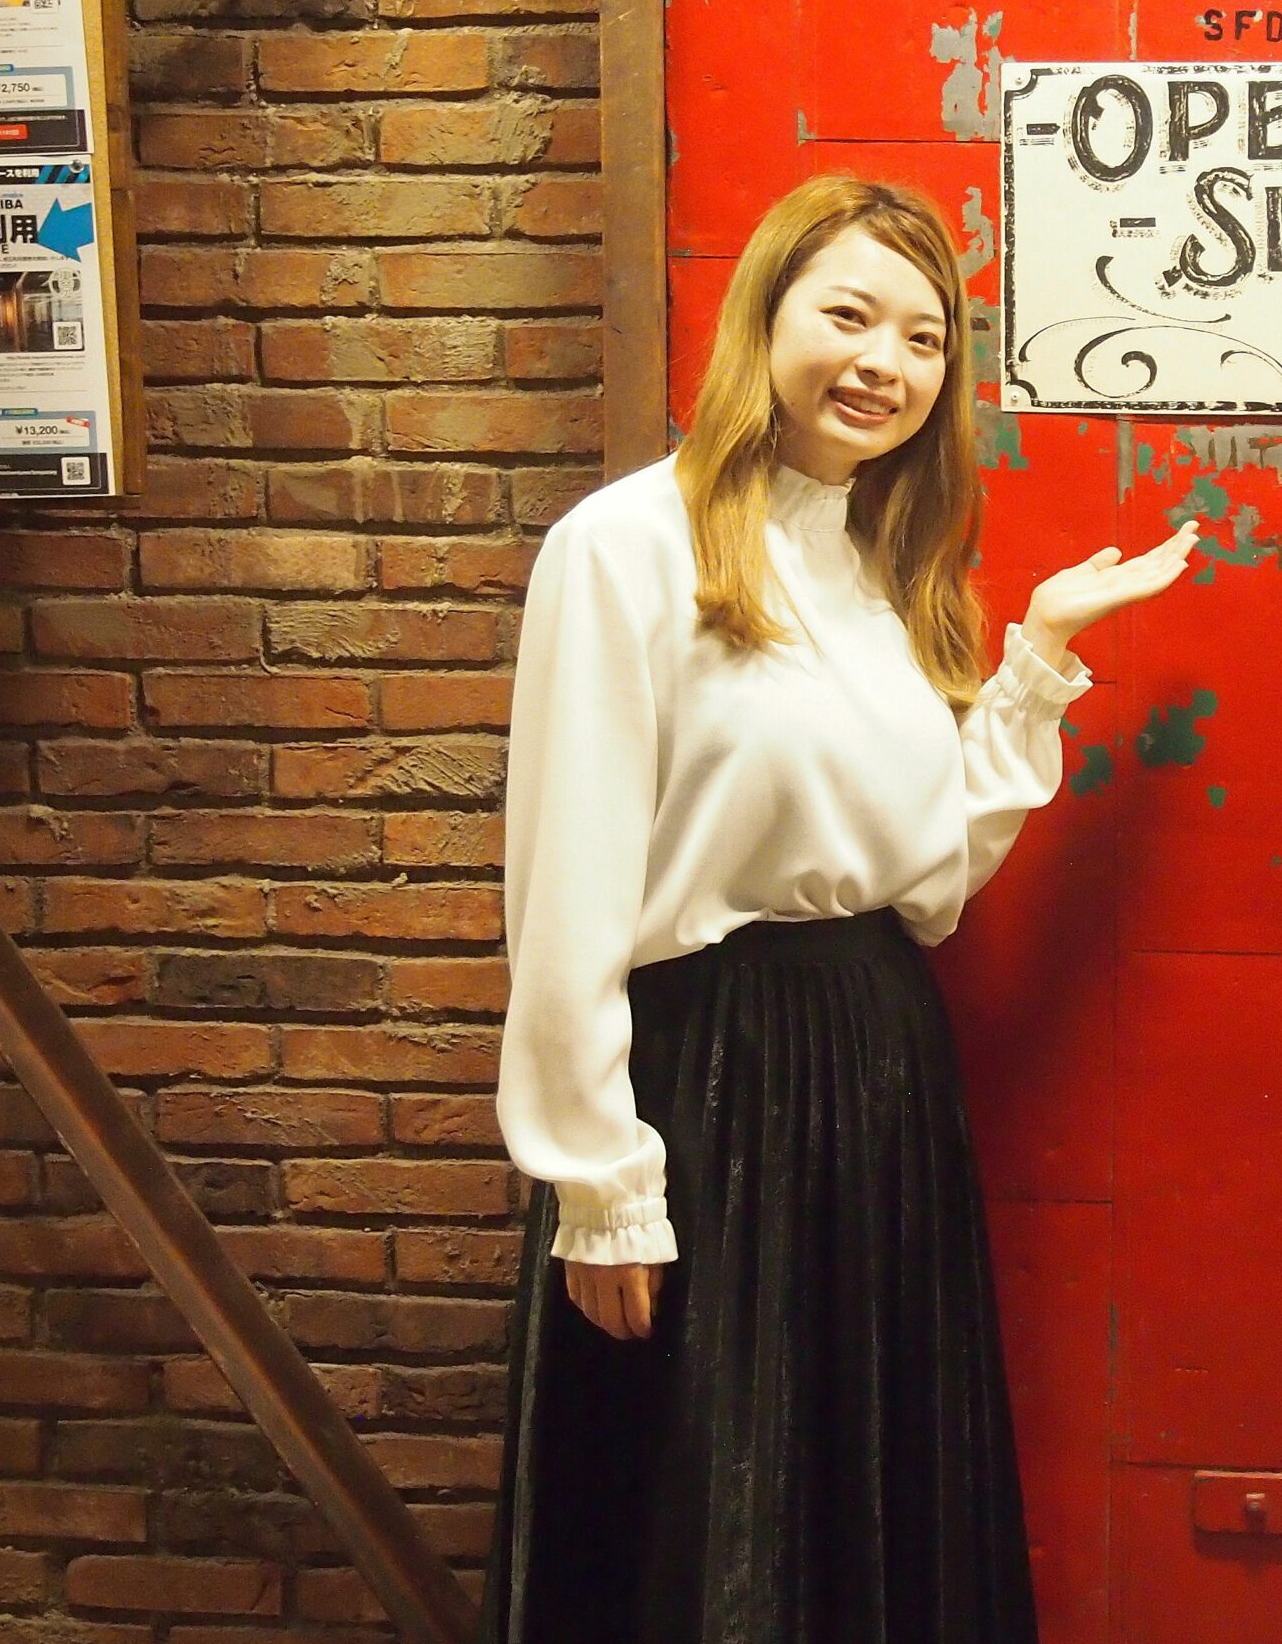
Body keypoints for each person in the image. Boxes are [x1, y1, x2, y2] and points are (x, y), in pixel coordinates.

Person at [482, 174, 1198, 1644]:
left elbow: (927, 884)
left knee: (865, 1504)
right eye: (851, 316)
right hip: (711, 1084)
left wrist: (1036, 661)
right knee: (708, 1513)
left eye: (924, 340)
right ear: (766, 316)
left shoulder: (886, 571)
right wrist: (600, 1183)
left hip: (877, 1071)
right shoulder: (627, 546)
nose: (885, 363)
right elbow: (567, 882)